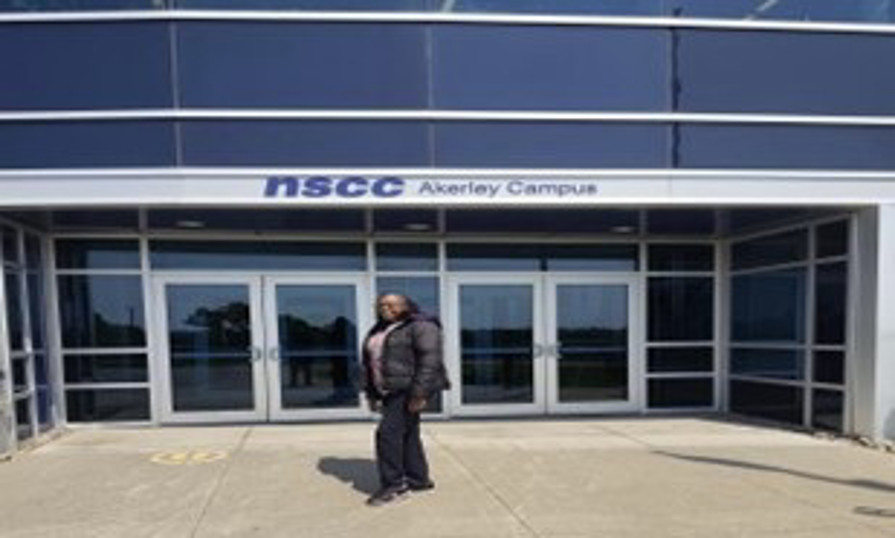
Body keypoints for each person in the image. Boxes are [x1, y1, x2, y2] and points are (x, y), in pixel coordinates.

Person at [361, 293, 449, 507]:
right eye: (381, 304)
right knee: (408, 433)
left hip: (409, 388)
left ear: (407, 305)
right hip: (390, 389)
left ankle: (394, 487)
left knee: (387, 435)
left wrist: (419, 394)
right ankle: (418, 479)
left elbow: (430, 360)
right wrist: (372, 393)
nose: (385, 308)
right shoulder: (380, 329)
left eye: (392, 304)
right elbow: (371, 363)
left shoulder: (422, 325)